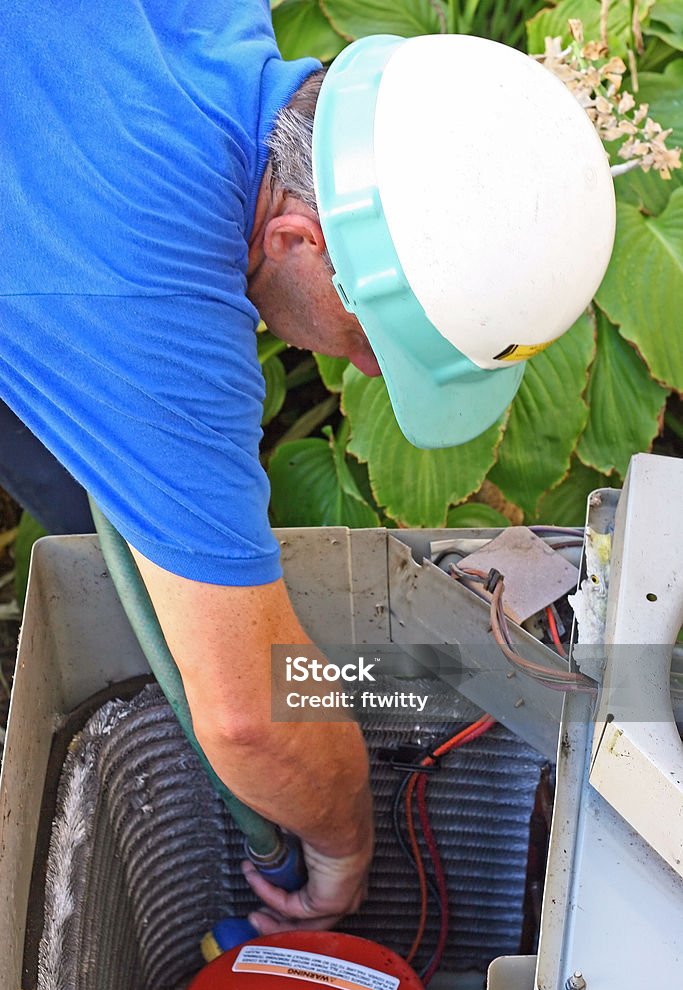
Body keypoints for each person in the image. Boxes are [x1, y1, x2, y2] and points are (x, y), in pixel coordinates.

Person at [2, 3, 615, 935]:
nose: (368, 371)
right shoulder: (148, 306)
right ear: (296, 243)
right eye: (379, 341)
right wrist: (341, 844)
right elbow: (252, 715)